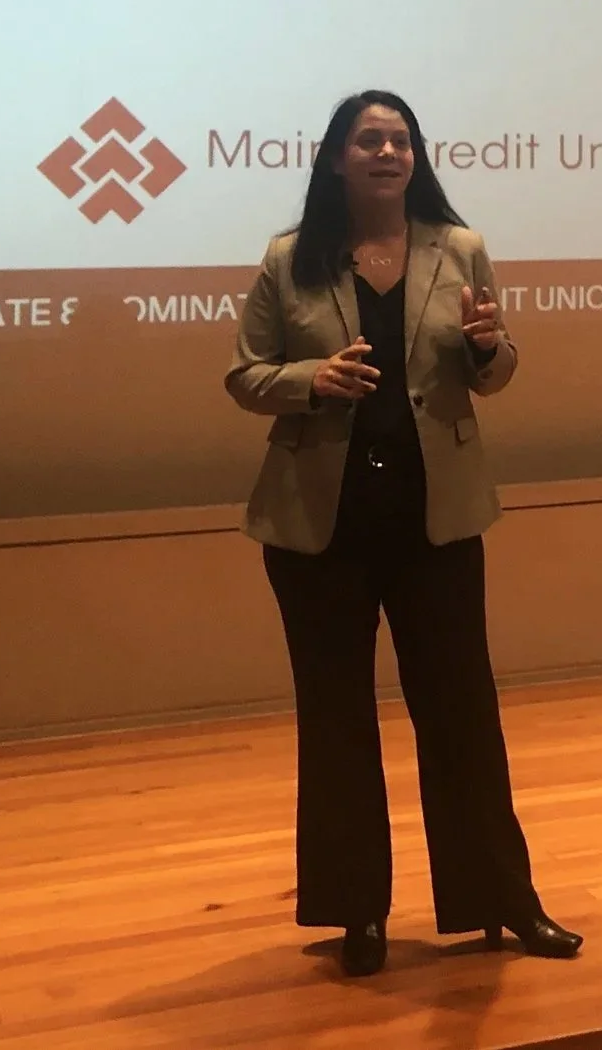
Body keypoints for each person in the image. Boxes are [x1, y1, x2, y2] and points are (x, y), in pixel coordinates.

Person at [226, 89, 582, 979]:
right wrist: (312, 379)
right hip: (321, 527)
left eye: (401, 139)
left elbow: (495, 370)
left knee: (463, 714)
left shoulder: (459, 247)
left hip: (436, 519)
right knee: (337, 721)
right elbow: (245, 374)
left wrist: (489, 347)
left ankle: (501, 898)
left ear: (415, 157)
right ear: (335, 158)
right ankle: (359, 913)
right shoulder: (289, 258)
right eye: (369, 139)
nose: (387, 151)